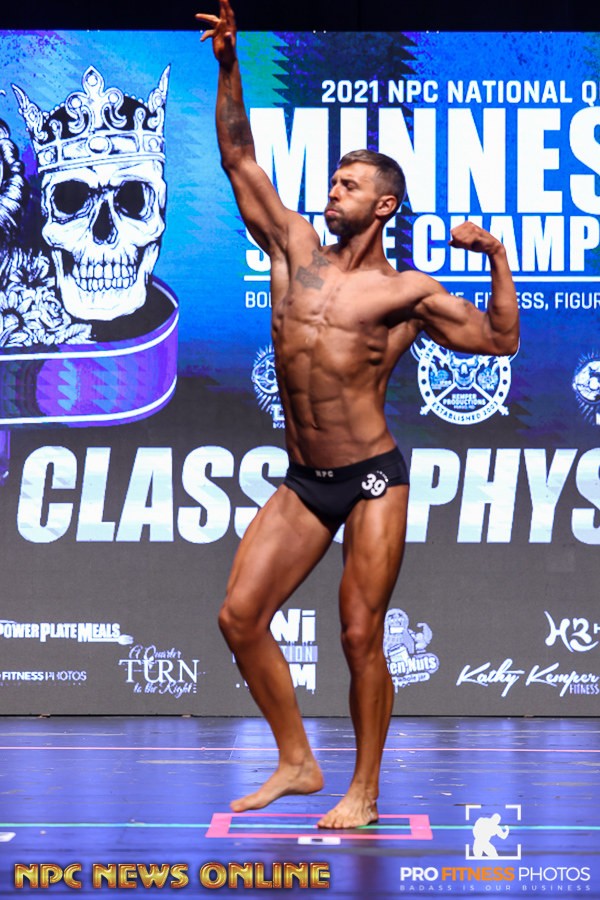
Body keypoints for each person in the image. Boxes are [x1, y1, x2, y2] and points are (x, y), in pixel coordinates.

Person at [196, 0, 519, 829]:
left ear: (382, 207)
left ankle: (364, 791)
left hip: (373, 479)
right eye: (333, 181)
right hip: (306, 479)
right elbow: (238, 157)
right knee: (240, 616)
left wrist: (495, 256)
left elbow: (499, 341)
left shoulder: (405, 292)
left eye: (349, 185)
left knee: (357, 634)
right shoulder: (293, 248)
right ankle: (298, 761)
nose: (331, 191)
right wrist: (229, 65)